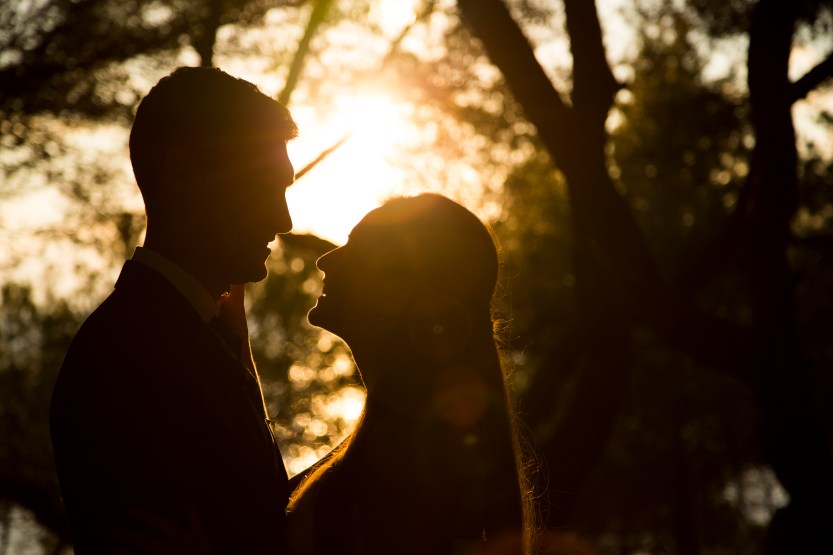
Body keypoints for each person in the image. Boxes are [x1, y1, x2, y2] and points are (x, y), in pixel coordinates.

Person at [50, 66, 297, 554]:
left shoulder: (198, 333)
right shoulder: (121, 356)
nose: (283, 219)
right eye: (263, 188)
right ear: (182, 174)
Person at [287, 194, 533, 555]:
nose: (326, 260)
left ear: (397, 290)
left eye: (354, 250)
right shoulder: (399, 435)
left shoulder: (403, 452)